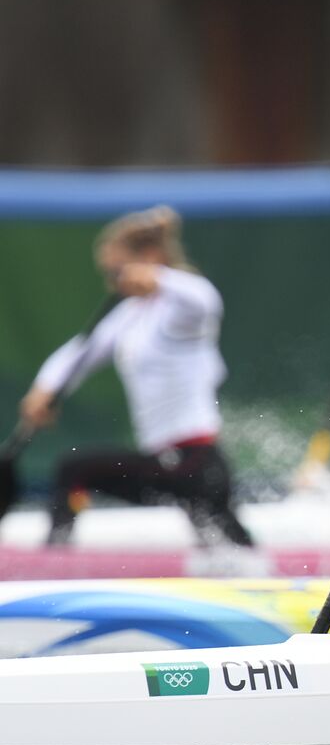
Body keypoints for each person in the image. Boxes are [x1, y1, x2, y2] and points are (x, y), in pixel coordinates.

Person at [20, 206, 253, 547]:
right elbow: (79, 353)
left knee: (73, 471)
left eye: (116, 271)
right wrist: (44, 390)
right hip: (167, 461)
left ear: (149, 257)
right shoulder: (131, 315)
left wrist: (161, 277)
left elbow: (206, 301)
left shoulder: (179, 311)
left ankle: (54, 560)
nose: (112, 281)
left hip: (193, 460)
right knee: (231, 553)